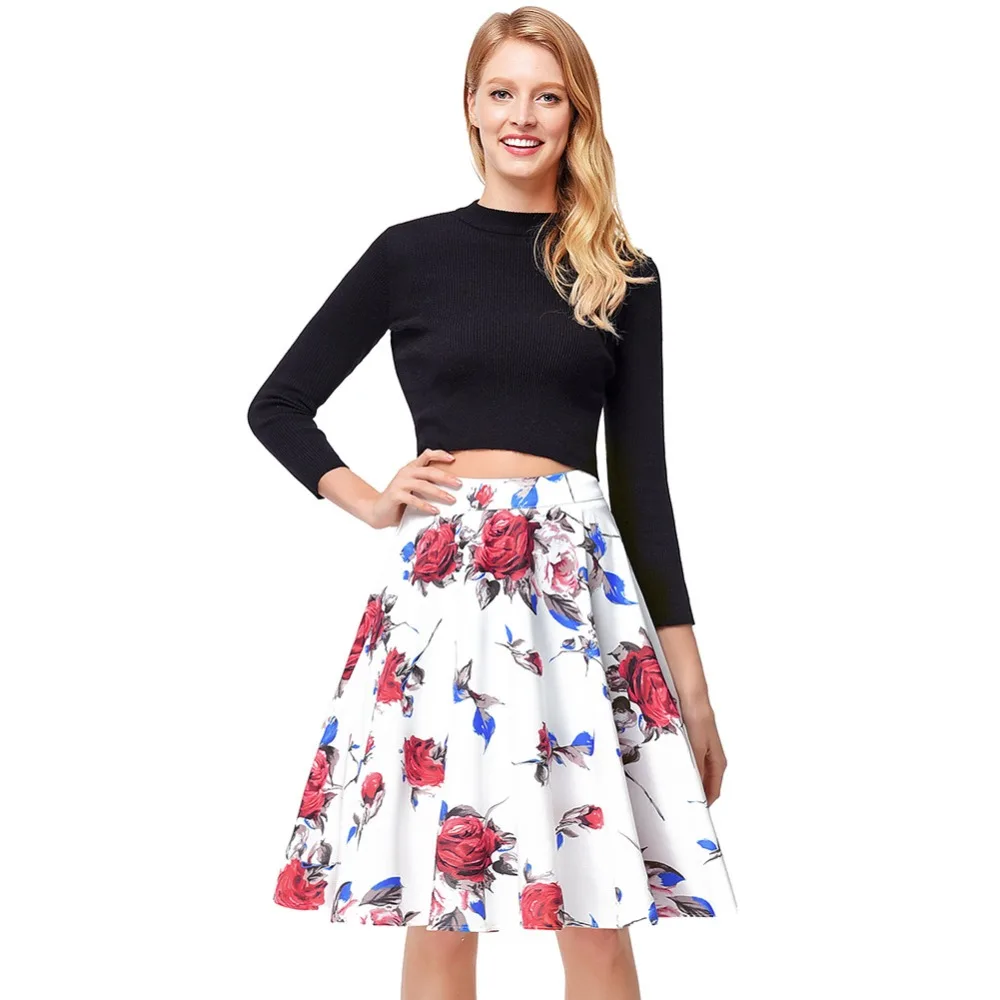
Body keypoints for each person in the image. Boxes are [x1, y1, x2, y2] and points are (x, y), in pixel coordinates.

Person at [247, 7, 737, 999]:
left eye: (547, 96)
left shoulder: (622, 270)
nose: (523, 116)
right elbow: (278, 405)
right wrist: (369, 499)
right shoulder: (409, 253)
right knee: (440, 908)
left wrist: (687, 678)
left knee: (596, 911)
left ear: (576, 113)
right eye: (502, 92)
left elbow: (642, 483)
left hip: (575, 600)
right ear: (469, 105)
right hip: (444, 597)